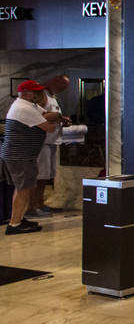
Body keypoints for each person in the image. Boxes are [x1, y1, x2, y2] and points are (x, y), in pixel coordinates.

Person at [2, 81, 64, 235]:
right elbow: (49, 128)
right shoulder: (23, 107)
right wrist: (57, 120)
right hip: (19, 156)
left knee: (23, 188)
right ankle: (15, 224)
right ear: (25, 94)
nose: (40, 95)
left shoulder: (30, 106)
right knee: (22, 190)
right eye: (36, 92)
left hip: (21, 155)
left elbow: (45, 114)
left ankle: (18, 219)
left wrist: (55, 116)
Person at [29, 74, 70, 218]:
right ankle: (32, 206)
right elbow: (37, 116)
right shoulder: (41, 96)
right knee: (38, 176)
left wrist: (62, 120)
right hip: (42, 142)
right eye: (61, 86)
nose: (62, 89)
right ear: (54, 82)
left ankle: (40, 203)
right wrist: (57, 117)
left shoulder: (53, 97)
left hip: (52, 141)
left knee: (46, 176)